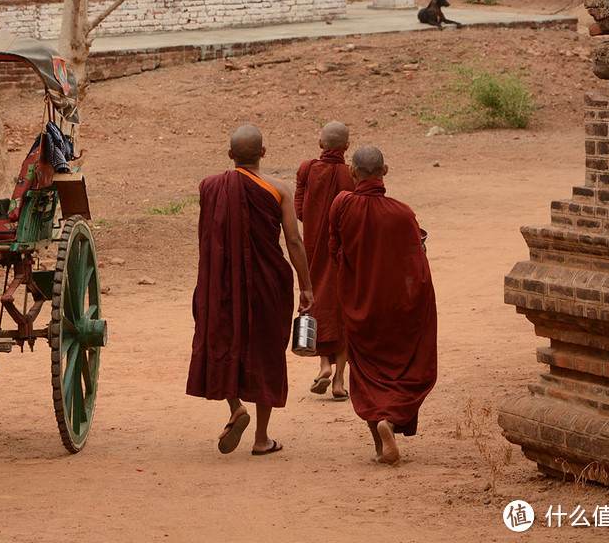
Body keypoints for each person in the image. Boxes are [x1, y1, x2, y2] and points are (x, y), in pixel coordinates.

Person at [186, 125, 316, 456]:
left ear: (231, 156)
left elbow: (209, 239)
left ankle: (235, 408)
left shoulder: (211, 188)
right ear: (263, 153)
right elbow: (294, 241)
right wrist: (307, 286)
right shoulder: (278, 189)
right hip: (268, 283)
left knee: (221, 338)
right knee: (266, 351)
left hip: (223, 282)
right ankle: (261, 438)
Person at [328, 146, 437, 465]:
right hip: (399, 308)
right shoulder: (403, 213)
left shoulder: (342, 204)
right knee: (404, 369)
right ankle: (390, 422)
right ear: (384, 171)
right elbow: (418, 264)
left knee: (366, 372)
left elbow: (335, 250)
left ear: (353, 172)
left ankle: (379, 440)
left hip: (360, 303)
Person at [294, 121, 353, 400]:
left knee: (317, 302)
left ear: (320, 145)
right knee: (342, 312)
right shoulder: (351, 174)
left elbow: (299, 211)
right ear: (347, 147)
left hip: (312, 253)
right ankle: (340, 380)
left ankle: (324, 366)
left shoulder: (306, 169)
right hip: (343, 254)